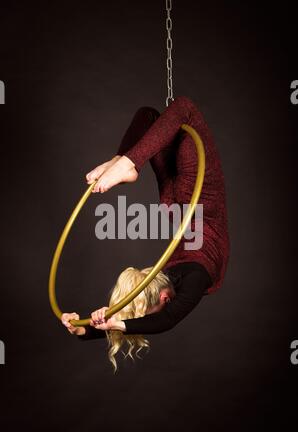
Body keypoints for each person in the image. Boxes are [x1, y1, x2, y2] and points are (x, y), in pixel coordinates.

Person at [62, 95, 230, 371]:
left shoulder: (184, 276)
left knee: (151, 117)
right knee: (178, 112)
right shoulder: (196, 279)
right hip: (190, 201)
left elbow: (152, 317)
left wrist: (85, 329)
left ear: (163, 297)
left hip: (183, 202)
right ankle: (126, 163)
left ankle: (123, 161)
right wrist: (117, 323)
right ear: (163, 299)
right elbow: (166, 320)